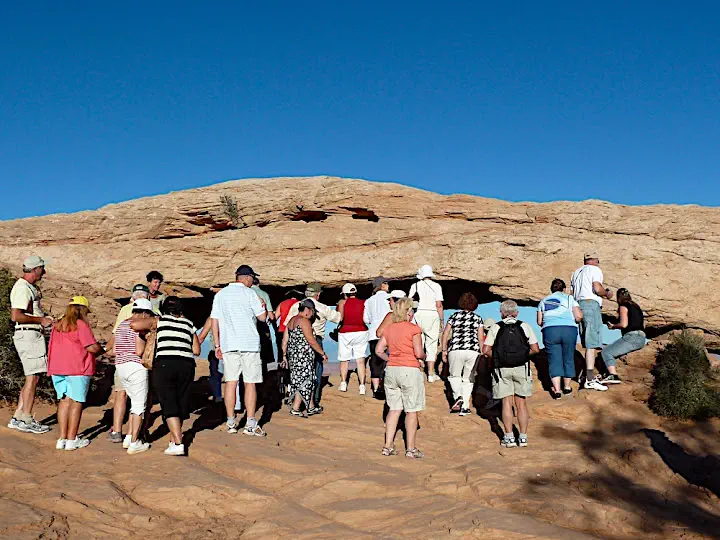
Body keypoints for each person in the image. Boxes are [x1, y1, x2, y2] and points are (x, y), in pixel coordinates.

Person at [135, 297, 201, 456]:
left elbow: (135, 325)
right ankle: (173, 440)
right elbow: (197, 350)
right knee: (180, 401)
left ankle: (178, 443)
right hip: (186, 365)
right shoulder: (188, 324)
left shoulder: (160, 321)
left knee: (168, 402)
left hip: (165, 363)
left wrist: (153, 322)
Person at [211, 265, 268, 436]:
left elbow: (214, 320)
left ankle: (231, 422)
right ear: (247, 277)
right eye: (252, 278)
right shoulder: (250, 293)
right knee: (250, 383)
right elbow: (262, 318)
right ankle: (250, 423)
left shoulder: (221, 295)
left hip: (229, 344)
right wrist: (263, 305)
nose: (253, 281)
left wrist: (217, 345)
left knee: (231, 382)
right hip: (249, 344)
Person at [47, 296, 105, 450]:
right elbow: (91, 347)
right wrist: (103, 350)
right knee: (76, 402)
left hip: (57, 368)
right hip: (78, 368)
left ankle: (62, 438)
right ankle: (72, 439)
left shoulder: (58, 325)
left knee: (64, 401)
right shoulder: (80, 324)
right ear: (82, 309)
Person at [483, 300, 540, 449]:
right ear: (516, 313)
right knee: (521, 403)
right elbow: (535, 349)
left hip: (502, 369)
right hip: (521, 367)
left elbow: (485, 350)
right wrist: (523, 356)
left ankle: (509, 437)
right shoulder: (524, 325)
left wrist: (497, 358)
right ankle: (523, 437)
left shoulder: (496, 327)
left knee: (506, 403)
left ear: (501, 313)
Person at [374, 297, 426, 458]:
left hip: (392, 370)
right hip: (409, 370)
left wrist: (390, 359)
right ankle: (410, 449)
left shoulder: (389, 328)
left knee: (394, 409)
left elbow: (378, 350)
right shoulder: (414, 329)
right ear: (408, 312)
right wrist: (424, 357)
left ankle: (387, 446)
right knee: (411, 410)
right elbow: (418, 353)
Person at [8, 255, 53, 434]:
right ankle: (26, 418)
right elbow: (16, 316)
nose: (44, 272)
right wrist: (41, 320)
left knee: (32, 377)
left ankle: (18, 417)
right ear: (35, 269)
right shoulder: (23, 288)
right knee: (33, 377)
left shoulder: (27, 287)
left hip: (30, 335)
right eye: (42, 268)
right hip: (28, 335)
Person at [283, 283, 341, 412]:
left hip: (294, 345)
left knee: (298, 375)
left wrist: (284, 353)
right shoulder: (322, 308)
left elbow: (286, 328)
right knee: (313, 374)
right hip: (313, 342)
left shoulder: (295, 306)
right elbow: (339, 318)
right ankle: (311, 403)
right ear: (318, 294)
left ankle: (300, 403)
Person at [107, 284, 152, 443]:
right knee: (138, 405)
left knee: (124, 396)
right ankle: (133, 440)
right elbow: (139, 350)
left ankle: (124, 435)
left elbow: (114, 349)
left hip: (121, 366)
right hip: (136, 366)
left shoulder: (122, 324)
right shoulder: (139, 326)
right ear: (145, 313)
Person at [571, 252, 613, 391]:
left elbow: (571, 294)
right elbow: (597, 288)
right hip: (590, 305)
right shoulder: (595, 269)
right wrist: (607, 293)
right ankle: (589, 379)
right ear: (595, 260)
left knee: (587, 342)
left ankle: (586, 376)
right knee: (592, 344)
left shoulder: (576, 273)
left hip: (578, 306)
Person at [537, 279, 584, 398]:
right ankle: (567, 387)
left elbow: (539, 321)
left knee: (554, 359)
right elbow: (578, 316)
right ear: (564, 289)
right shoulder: (569, 298)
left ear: (551, 289)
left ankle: (557, 390)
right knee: (568, 357)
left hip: (550, 330)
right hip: (568, 329)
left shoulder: (543, 300)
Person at [440, 292, 485, 416]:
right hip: (473, 350)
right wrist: (482, 353)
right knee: (468, 379)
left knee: (454, 376)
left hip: (456, 349)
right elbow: (480, 338)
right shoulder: (478, 318)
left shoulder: (454, 316)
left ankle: (458, 396)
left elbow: (445, 333)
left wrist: (444, 350)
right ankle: (465, 407)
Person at [282, 299, 328, 416]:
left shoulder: (291, 320)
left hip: (293, 356)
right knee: (306, 380)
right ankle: (296, 408)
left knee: (301, 380)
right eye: (312, 311)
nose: (313, 314)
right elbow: (311, 340)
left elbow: (285, 341)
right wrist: (322, 353)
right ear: (307, 310)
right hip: (304, 357)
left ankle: (310, 406)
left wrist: (284, 355)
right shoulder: (304, 321)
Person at [601, 288, 646, 384]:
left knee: (606, 352)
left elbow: (624, 324)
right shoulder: (636, 306)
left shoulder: (623, 305)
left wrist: (613, 326)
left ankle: (613, 375)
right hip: (642, 338)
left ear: (618, 298)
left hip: (632, 337)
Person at [409, 265, 444, 383]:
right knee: (432, 344)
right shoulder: (437, 286)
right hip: (432, 314)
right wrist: (442, 320)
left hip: (418, 314)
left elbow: (410, 302)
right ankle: (430, 373)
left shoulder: (415, 285)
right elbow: (439, 304)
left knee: (418, 341)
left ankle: (418, 368)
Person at [337, 283, 369, 395]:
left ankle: (343, 384)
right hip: (362, 331)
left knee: (344, 359)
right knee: (360, 360)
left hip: (345, 332)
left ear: (345, 294)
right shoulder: (363, 302)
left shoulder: (342, 303)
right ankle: (362, 386)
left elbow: (340, 318)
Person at [363, 277, 391, 397]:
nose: (388, 285)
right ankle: (385, 386)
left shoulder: (368, 301)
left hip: (373, 333)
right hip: (387, 331)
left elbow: (366, 319)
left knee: (375, 361)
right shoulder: (389, 298)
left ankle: (375, 389)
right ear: (382, 285)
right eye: (387, 283)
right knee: (388, 359)